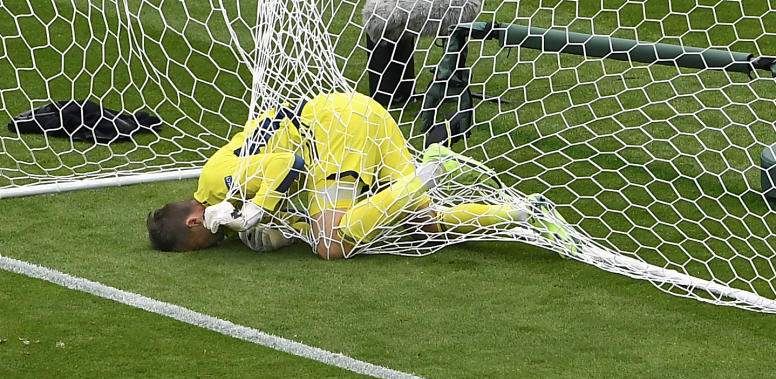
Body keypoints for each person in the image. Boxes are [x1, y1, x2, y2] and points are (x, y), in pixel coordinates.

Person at [147, 92, 578, 258]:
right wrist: (279, 231)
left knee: (331, 245)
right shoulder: (223, 195)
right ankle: (522, 213)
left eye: (198, 246)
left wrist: (256, 209)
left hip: (335, 131)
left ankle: (427, 173)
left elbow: (286, 165)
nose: (209, 246)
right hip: (362, 115)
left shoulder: (219, 183)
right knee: (422, 225)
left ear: (192, 222)